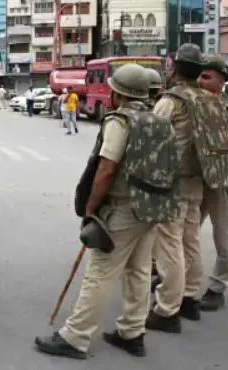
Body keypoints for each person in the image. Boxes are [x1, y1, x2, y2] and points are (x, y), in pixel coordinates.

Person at [35, 63, 179, 359]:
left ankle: (75, 337)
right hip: (152, 207)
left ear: (118, 93)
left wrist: (91, 207)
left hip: (123, 207)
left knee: (100, 272)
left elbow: (106, 168)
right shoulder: (158, 120)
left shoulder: (120, 121)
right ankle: (132, 332)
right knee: (138, 271)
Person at [147, 44, 228, 333]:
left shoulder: (172, 101)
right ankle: (189, 297)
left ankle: (166, 309)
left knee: (169, 243)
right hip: (198, 180)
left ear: (174, 69)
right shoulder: (210, 100)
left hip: (173, 182)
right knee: (190, 240)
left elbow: (152, 141)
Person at [196, 54, 228, 311]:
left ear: (221, 82)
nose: (200, 81)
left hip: (221, 180)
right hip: (195, 180)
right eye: (199, 75)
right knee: (185, 233)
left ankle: (218, 287)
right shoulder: (192, 104)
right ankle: (177, 278)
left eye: (207, 76)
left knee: (223, 235)